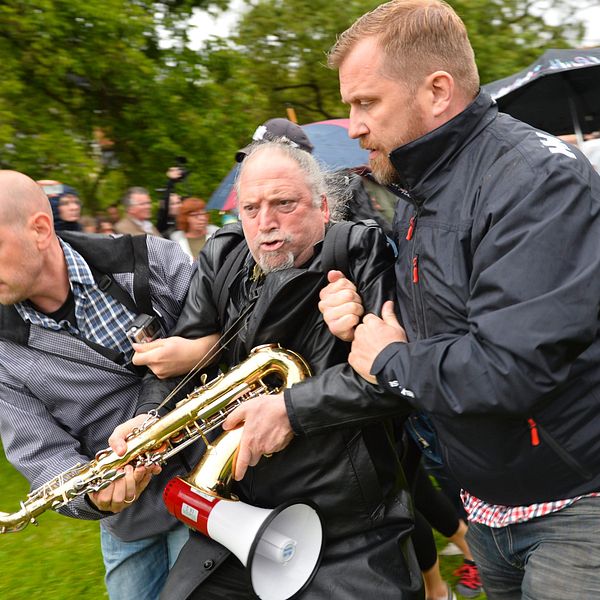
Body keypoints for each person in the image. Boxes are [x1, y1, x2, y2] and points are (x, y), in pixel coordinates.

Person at [313, 1, 600, 599]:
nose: (355, 127)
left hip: (575, 506)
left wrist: (388, 359)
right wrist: (359, 314)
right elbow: (439, 317)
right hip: (487, 507)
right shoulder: (418, 183)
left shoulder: (536, 181)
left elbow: (510, 367)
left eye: (366, 103)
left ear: (438, 91)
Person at [110, 141, 422, 600]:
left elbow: (391, 380)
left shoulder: (359, 250)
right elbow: (183, 363)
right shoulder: (223, 252)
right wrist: (153, 419)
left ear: (322, 206)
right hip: (239, 513)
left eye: (284, 204)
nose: (265, 223)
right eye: (251, 208)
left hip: (349, 527)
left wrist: (290, 410)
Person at [0, 170, 200, 600]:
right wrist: (93, 499)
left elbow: (225, 329)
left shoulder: (151, 259)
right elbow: (41, 453)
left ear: (39, 229)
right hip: (126, 519)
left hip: (211, 480)